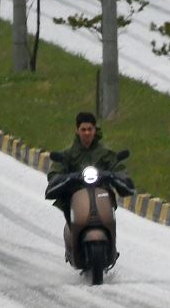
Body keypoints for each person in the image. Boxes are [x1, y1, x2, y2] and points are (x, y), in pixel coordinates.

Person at [47, 112, 129, 263]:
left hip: (101, 196)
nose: (87, 133)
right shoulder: (68, 154)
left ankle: (112, 244)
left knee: (110, 208)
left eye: (90, 129)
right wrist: (64, 178)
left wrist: (118, 175)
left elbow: (117, 166)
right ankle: (72, 242)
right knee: (68, 207)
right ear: (77, 131)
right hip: (76, 197)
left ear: (95, 130)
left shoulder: (104, 153)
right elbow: (55, 172)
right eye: (83, 129)